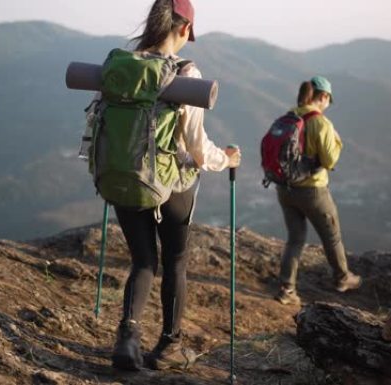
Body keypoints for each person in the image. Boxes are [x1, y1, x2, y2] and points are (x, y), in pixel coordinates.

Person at [109, 0, 242, 371]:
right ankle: (169, 345)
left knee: (143, 260)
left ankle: (127, 337)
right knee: (176, 261)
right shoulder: (184, 71)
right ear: (184, 29)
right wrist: (227, 159)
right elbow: (197, 148)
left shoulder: (123, 66)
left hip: (125, 177)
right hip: (172, 186)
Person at [274, 76, 361, 305]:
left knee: (295, 239)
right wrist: (338, 142)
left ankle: (287, 289)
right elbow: (330, 160)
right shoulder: (321, 123)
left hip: (285, 188)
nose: (327, 105)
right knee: (331, 236)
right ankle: (343, 278)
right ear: (322, 97)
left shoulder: (290, 116)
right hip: (313, 191)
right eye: (328, 100)